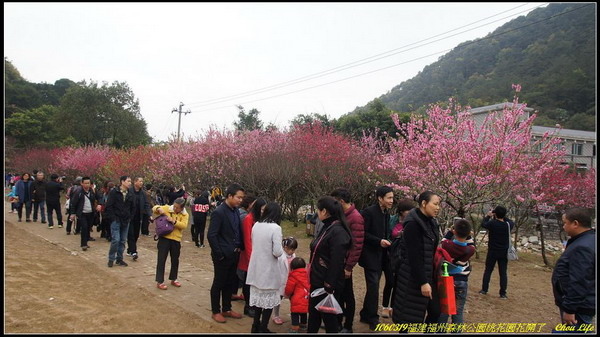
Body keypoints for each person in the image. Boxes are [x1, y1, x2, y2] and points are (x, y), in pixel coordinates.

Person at [392, 191, 442, 325]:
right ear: (424, 203)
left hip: (427, 274)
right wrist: (423, 282)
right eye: (435, 204)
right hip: (412, 277)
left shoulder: (431, 222)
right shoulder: (413, 224)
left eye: (439, 204)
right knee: (407, 318)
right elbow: (414, 256)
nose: (438, 208)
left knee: (435, 311)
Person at [307, 196, 352, 333]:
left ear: (325, 211)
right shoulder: (328, 227)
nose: (317, 214)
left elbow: (337, 261)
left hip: (327, 284)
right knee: (314, 315)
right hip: (317, 280)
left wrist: (329, 284)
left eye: (318, 210)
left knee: (329, 319)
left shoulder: (338, 231)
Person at [551, 208, 595, 331]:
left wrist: (570, 309)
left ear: (576, 223)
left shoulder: (582, 247)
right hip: (581, 304)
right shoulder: (587, 240)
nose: (563, 227)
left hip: (579, 308)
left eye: (565, 223)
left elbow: (580, 280)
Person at [207, 183, 245, 324]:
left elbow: (237, 231)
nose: (240, 200)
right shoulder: (219, 212)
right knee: (219, 282)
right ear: (229, 196)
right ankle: (216, 311)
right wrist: (219, 253)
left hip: (234, 254)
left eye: (242, 198)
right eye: (238, 197)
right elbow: (212, 235)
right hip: (222, 255)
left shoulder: (235, 211)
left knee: (230, 282)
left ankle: (227, 308)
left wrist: (240, 247)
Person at [359, 185, 394, 330]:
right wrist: (378, 241)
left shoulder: (386, 212)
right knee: (373, 287)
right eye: (389, 198)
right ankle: (372, 318)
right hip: (370, 256)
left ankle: (365, 313)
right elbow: (363, 234)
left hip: (383, 256)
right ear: (380, 198)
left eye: (392, 197)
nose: (392, 200)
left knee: (376, 286)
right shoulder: (369, 212)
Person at [246, 202, 285, 333]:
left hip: (256, 267)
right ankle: (263, 328)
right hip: (269, 268)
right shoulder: (275, 228)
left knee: (258, 301)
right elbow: (277, 252)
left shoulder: (256, 225)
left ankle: (255, 326)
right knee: (268, 301)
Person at [331, 187, 365, 333]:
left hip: (345, 264)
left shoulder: (355, 217)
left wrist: (349, 266)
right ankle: (337, 322)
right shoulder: (342, 214)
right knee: (337, 293)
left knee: (348, 295)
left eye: (335, 202)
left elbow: (357, 245)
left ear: (341, 201)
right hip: (338, 261)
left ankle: (348, 325)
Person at [438, 219, 476, 328]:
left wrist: (451, 231)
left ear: (454, 231)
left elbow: (444, 239)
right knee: (458, 311)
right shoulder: (470, 250)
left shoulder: (447, 245)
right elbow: (471, 243)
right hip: (462, 281)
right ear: (469, 233)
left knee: (444, 310)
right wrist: (468, 235)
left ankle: (440, 331)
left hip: (447, 280)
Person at [238, 198, 268, 318]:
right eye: (261, 209)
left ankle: (253, 304)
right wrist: (252, 259)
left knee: (254, 282)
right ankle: (248, 306)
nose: (263, 211)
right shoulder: (248, 219)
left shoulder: (260, 220)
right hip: (248, 256)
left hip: (258, 255)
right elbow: (247, 241)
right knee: (247, 281)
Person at [153, 197, 189, 290]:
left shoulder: (185, 215)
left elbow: (184, 225)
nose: (175, 209)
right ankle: (160, 281)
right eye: (174, 206)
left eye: (177, 208)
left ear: (182, 208)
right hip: (164, 238)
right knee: (161, 259)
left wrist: (174, 221)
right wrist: (158, 208)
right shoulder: (167, 208)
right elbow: (154, 208)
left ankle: (174, 278)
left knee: (175, 260)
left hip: (176, 240)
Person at [479, 205, 514, 299]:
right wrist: (501, 215)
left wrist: (488, 216)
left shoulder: (492, 224)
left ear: (495, 214)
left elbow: (483, 224)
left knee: (488, 270)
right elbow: (509, 220)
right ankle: (503, 293)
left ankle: (484, 289)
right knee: (503, 273)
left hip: (493, 251)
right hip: (504, 252)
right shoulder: (508, 224)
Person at [104, 176, 135, 268]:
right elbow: (109, 206)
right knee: (115, 240)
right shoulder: (114, 192)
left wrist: (130, 217)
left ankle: (119, 259)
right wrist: (112, 217)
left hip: (126, 220)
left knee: (122, 240)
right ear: (122, 182)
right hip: (116, 219)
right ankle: (111, 258)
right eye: (128, 181)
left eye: (130, 181)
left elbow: (133, 207)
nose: (130, 183)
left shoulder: (130, 194)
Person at [272, 237, 298, 326]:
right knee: (278, 299)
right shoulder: (281, 257)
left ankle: (294, 313)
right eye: (291, 249)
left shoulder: (293, 256)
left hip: (291, 280)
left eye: (294, 249)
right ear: (285, 247)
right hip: (281, 281)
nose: (292, 251)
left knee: (294, 299)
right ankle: (276, 315)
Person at [69, 177, 100, 251]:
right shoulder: (78, 192)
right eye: (85, 183)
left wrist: (99, 204)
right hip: (82, 213)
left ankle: (86, 241)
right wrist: (73, 213)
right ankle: (84, 244)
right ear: (81, 183)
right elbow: (74, 203)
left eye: (88, 183)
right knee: (84, 227)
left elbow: (99, 197)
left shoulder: (92, 191)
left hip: (91, 212)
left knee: (88, 227)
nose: (87, 185)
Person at [127, 177, 152, 261]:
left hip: (138, 217)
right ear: (135, 182)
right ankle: (134, 251)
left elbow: (146, 205)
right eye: (140, 181)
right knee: (130, 234)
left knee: (136, 234)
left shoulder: (143, 193)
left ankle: (130, 249)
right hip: (129, 216)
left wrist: (150, 215)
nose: (141, 183)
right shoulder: (129, 191)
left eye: (142, 181)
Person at [285, 257, 310, 333]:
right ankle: (303, 324)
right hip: (306, 297)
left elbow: (289, 288)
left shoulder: (293, 276)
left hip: (296, 298)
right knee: (303, 311)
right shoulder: (307, 274)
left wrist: (287, 293)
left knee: (294, 313)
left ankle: (294, 328)